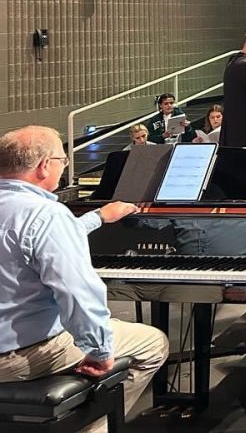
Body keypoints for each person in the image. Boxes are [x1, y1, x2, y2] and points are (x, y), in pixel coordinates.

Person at [0, 127, 170, 430]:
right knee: (152, 344)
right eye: (62, 160)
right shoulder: (47, 215)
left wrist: (98, 217)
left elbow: (28, 240)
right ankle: (93, 426)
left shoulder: (33, 215)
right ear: (43, 166)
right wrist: (99, 351)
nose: (63, 167)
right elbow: (78, 295)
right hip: (18, 356)